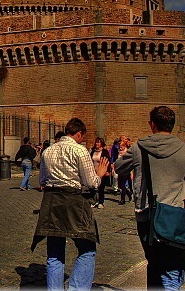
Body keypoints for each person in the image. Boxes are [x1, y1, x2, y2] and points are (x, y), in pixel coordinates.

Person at [114, 106, 185, 290]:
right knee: (172, 266)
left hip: (147, 214)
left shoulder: (138, 148)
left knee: (154, 262)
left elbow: (119, 167)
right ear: (172, 125)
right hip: (175, 213)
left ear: (152, 124)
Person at [31, 118, 109, 291]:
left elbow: (42, 180)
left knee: (54, 253)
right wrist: (100, 173)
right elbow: (92, 183)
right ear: (79, 133)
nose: (82, 140)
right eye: (82, 137)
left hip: (51, 201)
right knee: (87, 248)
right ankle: (77, 288)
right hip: (74, 201)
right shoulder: (80, 151)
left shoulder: (48, 151)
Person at [90, 137, 111, 208]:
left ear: (101, 143)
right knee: (92, 186)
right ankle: (94, 201)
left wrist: (107, 171)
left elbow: (107, 161)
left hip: (101, 171)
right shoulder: (93, 151)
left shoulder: (104, 151)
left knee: (101, 187)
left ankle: (101, 202)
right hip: (93, 171)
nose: (97, 144)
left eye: (98, 142)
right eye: (96, 142)